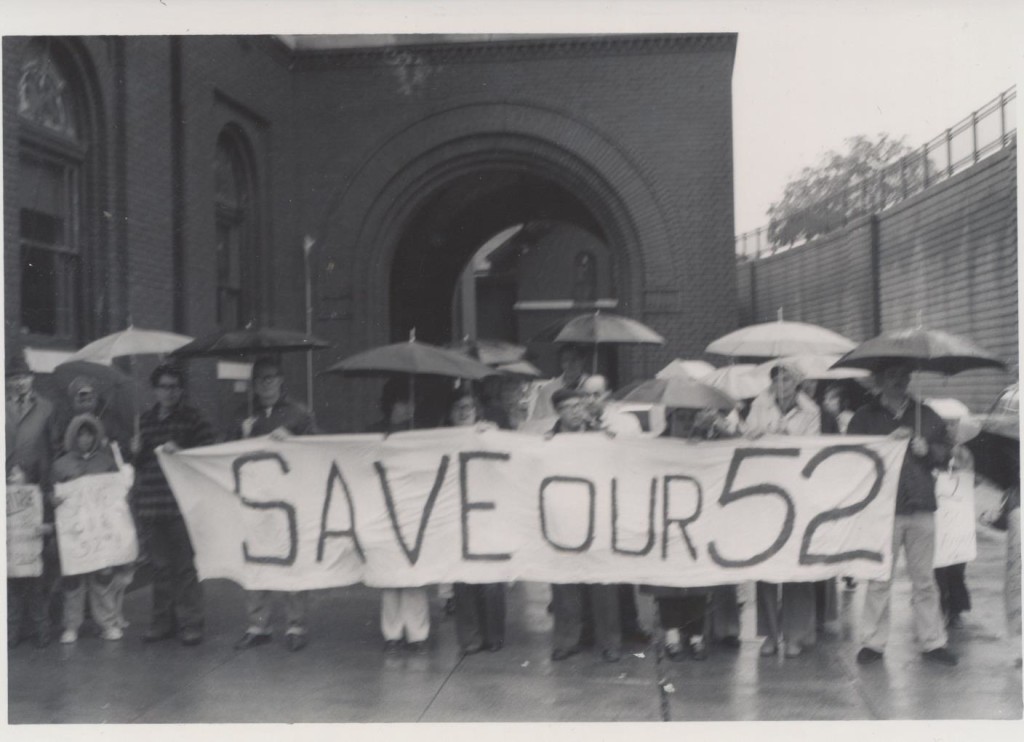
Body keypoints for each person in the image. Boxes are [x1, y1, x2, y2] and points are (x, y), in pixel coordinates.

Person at [848, 362, 958, 666]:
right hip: (883, 508)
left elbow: (947, 453)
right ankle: (873, 642)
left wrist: (928, 451)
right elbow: (851, 457)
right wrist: (884, 444)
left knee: (924, 578)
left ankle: (933, 641)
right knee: (879, 578)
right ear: (880, 381)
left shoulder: (927, 414)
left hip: (921, 504)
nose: (900, 381)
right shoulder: (864, 417)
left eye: (904, 376)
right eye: (893, 376)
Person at [230, 356, 317, 652]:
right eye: (259, 380)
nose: (265, 384)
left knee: (292, 561)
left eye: (270, 378)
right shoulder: (243, 414)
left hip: (288, 500)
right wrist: (241, 436)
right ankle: (258, 625)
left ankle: (296, 625)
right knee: (255, 561)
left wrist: (294, 440)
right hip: (255, 500)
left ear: (281, 380)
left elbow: (320, 449)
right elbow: (223, 454)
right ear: (253, 385)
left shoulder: (299, 413)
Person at [130, 362, 214, 647]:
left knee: (184, 568)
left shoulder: (193, 419)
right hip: (152, 504)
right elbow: (139, 464)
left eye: (175, 387)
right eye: (164, 387)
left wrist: (183, 452)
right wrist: (136, 452)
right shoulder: (144, 420)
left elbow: (208, 454)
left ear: (181, 390)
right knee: (159, 568)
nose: (169, 392)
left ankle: (191, 624)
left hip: (181, 505)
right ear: (155, 389)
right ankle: (162, 623)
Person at [743, 362, 821, 658]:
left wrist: (788, 436)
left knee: (796, 566)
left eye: (787, 377)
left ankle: (795, 634)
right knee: (765, 566)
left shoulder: (810, 410)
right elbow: (748, 434)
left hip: (797, 492)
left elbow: (813, 449)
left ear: (797, 382)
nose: (781, 382)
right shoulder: (759, 405)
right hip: (765, 492)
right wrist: (761, 431)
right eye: (777, 377)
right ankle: (769, 635)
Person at [546, 387, 623, 663]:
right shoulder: (548, 440)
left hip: (597, 515)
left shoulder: (600, 436)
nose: (579, 411)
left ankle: (609, 642)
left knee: (603, 580)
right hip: (563, 518)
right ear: (559, 411)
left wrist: (609, 442)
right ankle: (567, 640)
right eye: (571, 407)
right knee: (566, 580)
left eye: (581, 405)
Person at [579, 374, 650, 645]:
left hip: (619, 499)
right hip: (589, 503)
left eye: (596, 394)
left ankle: (628, 624)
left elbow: (635, 454)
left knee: (620, 568)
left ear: (608, 395)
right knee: (590, 567)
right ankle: (591, 627)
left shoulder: (625, 421)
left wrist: (605, 436)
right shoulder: (577, 421)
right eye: (586, 394)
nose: (590, 400)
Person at [52, 414, 133, 643]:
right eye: (80, 435)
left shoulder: (106, 461)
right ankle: (71, 626)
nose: (85, 439)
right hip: (74, 531)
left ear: (95, 436)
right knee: (73, 579)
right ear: (73, 437)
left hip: (100, 529)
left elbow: (117, 493)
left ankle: (107, 623)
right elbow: (53, 493)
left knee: (102, 577)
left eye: (89, 435)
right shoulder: (61, 464)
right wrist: (54, 500)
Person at [370, 378, 432, 653]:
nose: (409, 408)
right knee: (389, 574)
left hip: (413, 508)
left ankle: (417, 634)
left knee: (414, 574)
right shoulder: (373, 433)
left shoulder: (422, 432)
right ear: (391, 403)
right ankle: (392, 633)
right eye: (404, 402)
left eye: (412, 402)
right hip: (383, 509)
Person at [6, 352, 61, 649]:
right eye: (13, 377)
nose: (19, 382)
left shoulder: (47, 408)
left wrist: (44, 482)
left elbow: (53, 449)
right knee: (9, 564)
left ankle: (41, 628)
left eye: (24, 376)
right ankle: (12, 629)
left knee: (36, 563)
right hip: (6, 493)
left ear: (32, 378)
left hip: (36, 493)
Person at [446, 390, 507, 655]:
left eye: (469, 406)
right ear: (451, 413)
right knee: (464, 579)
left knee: (492, 579)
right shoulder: (440, 439)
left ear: (477, 410)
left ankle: (493, 636)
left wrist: (494, 435)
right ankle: (470, 638)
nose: (463, 411)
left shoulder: (489, 433)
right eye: (458, 407)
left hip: (489, 513)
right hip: (456, 514)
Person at [926, 398, 979, 631]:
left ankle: (955, 606)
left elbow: (973, 479)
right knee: (938, 560)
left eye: (954, 423)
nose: (950, 427)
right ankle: (940, 604)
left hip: (958, 513)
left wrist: (963, 472)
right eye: (945, 423)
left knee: (957, 561)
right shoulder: (930, 447)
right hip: (938, 510)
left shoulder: (965, 451)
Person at [529, 344, 591, 421]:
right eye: (565, 360)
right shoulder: (548, 390)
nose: (569, 364)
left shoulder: (592, 388)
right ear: (560, 363)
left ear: (583, 360)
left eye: (574, 359)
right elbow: (536, 420)